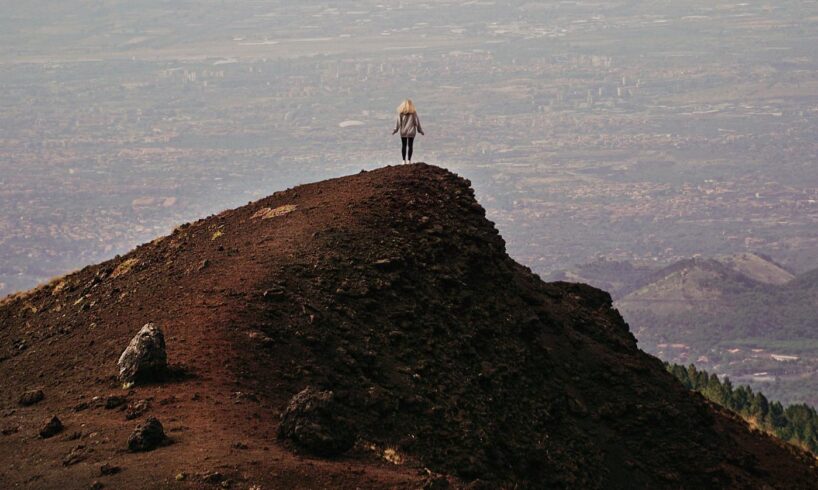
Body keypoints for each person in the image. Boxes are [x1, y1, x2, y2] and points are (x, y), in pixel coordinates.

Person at [392, 99, 424, 164]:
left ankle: (403, 161)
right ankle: (409, 160)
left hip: (403, 131)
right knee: (410, 145)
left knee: (403, 145)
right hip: (411, 132)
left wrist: (395, 130)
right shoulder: (413, 113)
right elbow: (417, 122)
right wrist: (420, 130)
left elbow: (398, 123)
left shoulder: (401, 114)